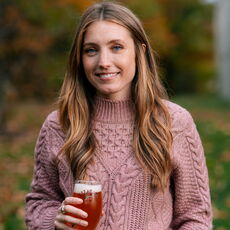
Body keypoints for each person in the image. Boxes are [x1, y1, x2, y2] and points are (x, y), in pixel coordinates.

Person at [25, 1, 213, 229]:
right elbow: (39, 202)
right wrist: (54, 219)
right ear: (80, 57)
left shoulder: (174, 123)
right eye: (91, 50)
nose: (104, 62)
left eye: (116, 47)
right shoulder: (59, 125)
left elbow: (195, 217)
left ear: (139, 52)